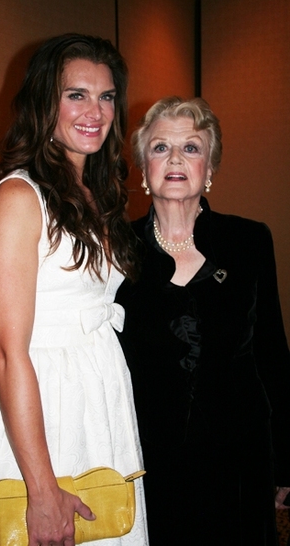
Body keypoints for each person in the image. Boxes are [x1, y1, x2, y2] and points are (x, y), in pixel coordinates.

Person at [0, 34, 148, 546]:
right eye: (76, 94)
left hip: (97, 400)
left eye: (107, 96)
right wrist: (43, 490)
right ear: (42, 102)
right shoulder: (18, 196)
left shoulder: (97, 194)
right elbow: (7, 353)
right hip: (40, 411)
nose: (95, 110)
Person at [114, 96, 290, 544]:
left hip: (241, 459)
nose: (175, 158)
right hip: (151, 461)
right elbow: (67, 318)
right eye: (160, 147)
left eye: (191, 147)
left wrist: (288, 460)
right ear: (142, 167)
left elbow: (271, 352)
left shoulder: (249, 240)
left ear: (209, 166)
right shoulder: (115, 250)